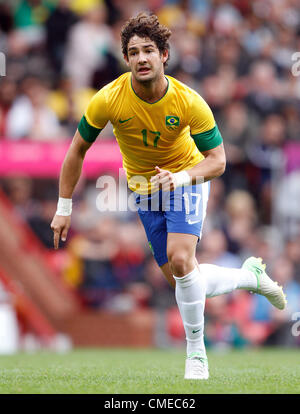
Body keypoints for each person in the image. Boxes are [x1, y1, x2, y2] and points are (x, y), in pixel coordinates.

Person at [51, 12, 287, 380]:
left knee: (181, 259)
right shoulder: (108, 99)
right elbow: (76, 150)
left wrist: (180, 178)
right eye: (133, 52)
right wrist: (64, 207)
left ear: (164, 55)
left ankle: (196, 353)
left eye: (148, 50)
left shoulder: (189, 102)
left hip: (186, 180)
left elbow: (218, 161)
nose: (141, 58)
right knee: (184, 279)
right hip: (145, 189)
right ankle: (249, 277)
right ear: (126, 59)